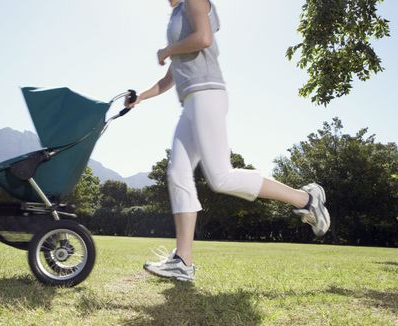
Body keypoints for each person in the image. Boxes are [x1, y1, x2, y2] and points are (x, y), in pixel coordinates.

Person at [125, 0, 330, 282]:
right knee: (177, 173)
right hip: (191, 102)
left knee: (220, 177)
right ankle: (182, 261)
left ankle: (306, 199)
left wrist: (167, 49)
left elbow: (203, 38)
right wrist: (141, 98)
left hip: (207, 94)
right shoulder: (175, 14)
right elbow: (171, 75)